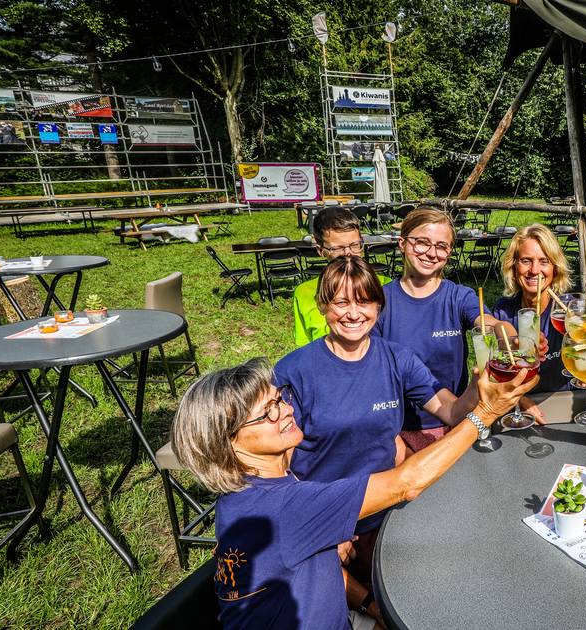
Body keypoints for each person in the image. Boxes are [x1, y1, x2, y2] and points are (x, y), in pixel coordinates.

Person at [171, 358, 535, 630]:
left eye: (278, 399)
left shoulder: (242, 497)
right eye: (266, 413)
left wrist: (370, 604)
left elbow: (305, 564)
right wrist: (485, 413)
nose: (286, 411)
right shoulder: (288, 507)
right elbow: (407, 482)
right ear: (228, 443)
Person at [274, 257, 482, 584]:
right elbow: (276, 465)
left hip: (388, 513)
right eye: (341, 302)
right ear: (323, 305)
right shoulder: (293, 371)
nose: (353, 313)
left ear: (378, 306)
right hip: (329, 522)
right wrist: (320, 525)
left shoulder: (397, 359)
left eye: (364, 302)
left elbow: (451, 411)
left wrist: (480, 385)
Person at [374, 206, 507, 452]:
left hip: (456, 420)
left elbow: (483, 319)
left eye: (441, 246)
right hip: (397, 431)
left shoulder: (458, 296)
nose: (431, 253)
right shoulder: (379, 302)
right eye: (422, 242)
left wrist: (503, 329)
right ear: (402, 243)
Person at [488, 223, 574, 398]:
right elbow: (494, 374)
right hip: (518, 403)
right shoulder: (503, 310)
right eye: (526, 261)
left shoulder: (568, 311)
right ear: (514, 266)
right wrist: (521, 401)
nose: (534, 270)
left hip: (566, 400)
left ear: (555, 268)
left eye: (544, 261)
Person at [293, 206, 392, 346]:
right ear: (320, 250)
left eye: (355, 245)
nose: (348, 253)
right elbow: (305, 346)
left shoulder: (386, 286)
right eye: (338, 248)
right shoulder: (304, 293)